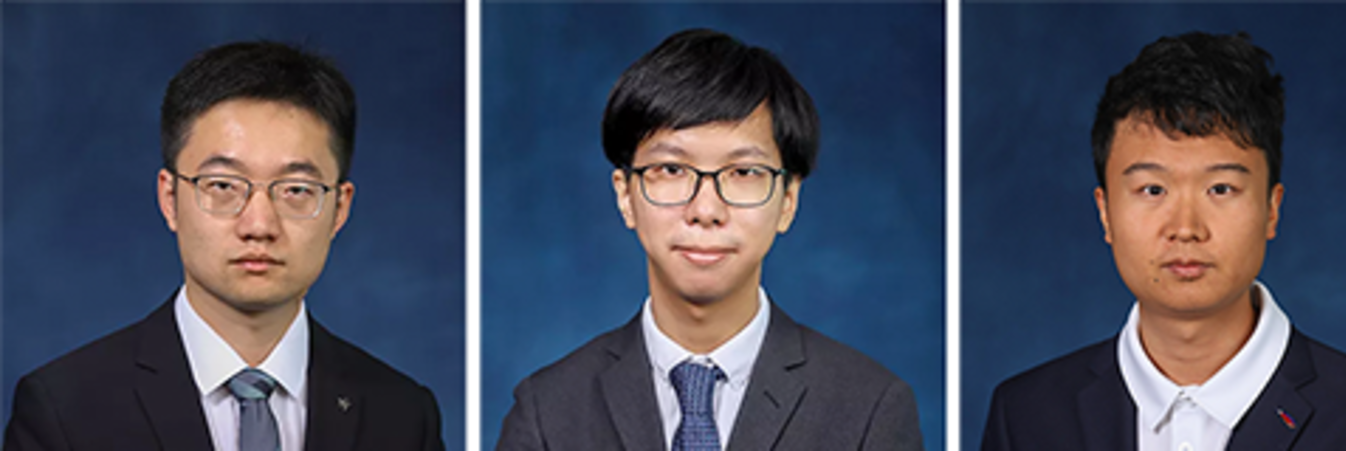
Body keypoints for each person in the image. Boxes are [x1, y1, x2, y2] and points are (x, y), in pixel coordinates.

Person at [980, 31, 1346, 451]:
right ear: (1105, 212)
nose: (1186, 227)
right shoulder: (1025, 417)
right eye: (1153, 190)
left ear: (1272, 208)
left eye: (1220, 190)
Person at [5, 40, 443, 451]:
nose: (259, 224)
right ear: (170, 199)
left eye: (295, 190)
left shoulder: (403, 415)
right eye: (223, 185)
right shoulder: (65, 411)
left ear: (340, 208)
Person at [494, 28, 920, 451]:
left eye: (744, 173)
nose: (706, 210)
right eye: (672, 170)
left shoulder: (870, 410)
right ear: (625, 195)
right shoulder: (546, 413)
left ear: (788, 200)